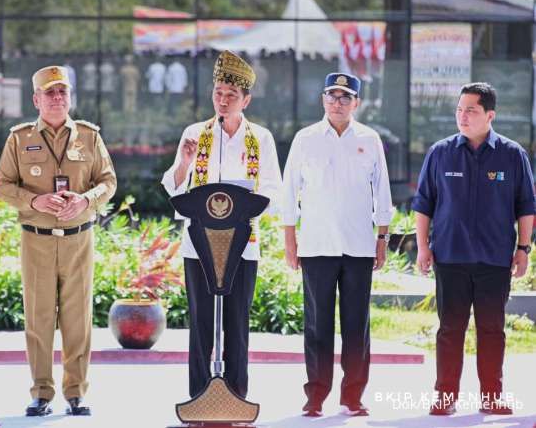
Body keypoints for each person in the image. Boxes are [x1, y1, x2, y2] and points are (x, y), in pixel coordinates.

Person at [0, 65, 116, 417]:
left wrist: (86, 200)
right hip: (37, 240)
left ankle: (77, 392)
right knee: (39, 317)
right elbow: (3, 185)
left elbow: (107, 181)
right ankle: (41, 392)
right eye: (50, 92)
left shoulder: (90, 137)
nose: (57, 97)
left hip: (79, 238)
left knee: (79, 317)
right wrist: (33, 201)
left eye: (63, 91)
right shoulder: (18, 138)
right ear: (36, 99)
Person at [161, 50, 282, 399]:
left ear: (246, 99)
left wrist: (242, 213)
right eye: (218, 94)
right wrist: (184, 162)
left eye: (231, 96)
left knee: (236, 324)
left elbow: (272, 188)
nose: (223, 101)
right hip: (198, 246)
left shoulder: (260, 138)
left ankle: (236, 396)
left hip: (243, 245)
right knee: (200, 324)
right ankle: (200, 396)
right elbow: (174, 186)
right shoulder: (195, 134)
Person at [413, 82, 535, 416]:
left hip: (495, 261)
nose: (462, 116)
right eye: (459, 109)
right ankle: (445, 397)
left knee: (492, 330)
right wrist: (423, 247)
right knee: (450, 330)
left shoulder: (512, 155)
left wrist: (523, 248)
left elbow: (526, 205)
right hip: (450, 258)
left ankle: (492, 396)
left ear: (490, 115)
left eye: (471, 110)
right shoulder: (440, 152)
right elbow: (423, 204)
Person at [282, 72, 394, 417]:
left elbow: (383, 192)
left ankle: (353, 396)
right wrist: (290, 241)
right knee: (317, 324)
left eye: (346, 97)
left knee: (356, 324)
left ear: (356, 103)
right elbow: (288, 193)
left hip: (359, 245)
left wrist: (382, 239)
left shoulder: (370, 139)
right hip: (316, 245)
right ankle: (315, 395)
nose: (338, 102)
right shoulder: (305, 139)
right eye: (332, 95)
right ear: (322, 99)